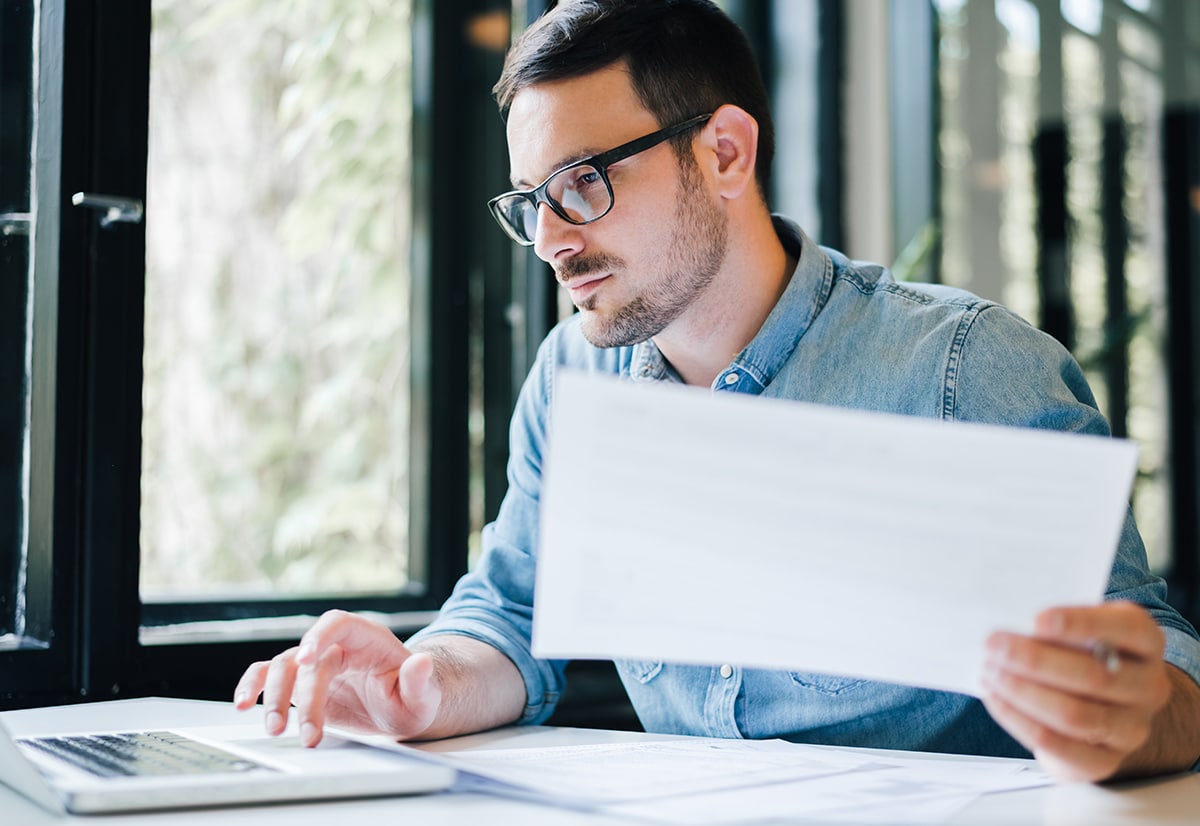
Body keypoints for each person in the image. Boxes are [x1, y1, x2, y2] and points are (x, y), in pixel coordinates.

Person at [234, 0, 1200, 782]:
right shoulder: (575, 377)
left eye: (580, 183)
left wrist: (1133, 710)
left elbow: (1161, 666)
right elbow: (517, 613)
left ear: (726, 152)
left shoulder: (962, 367)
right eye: (530, 204)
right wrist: (422, 682)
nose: (553, 242)